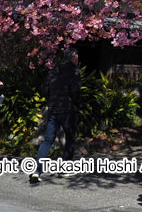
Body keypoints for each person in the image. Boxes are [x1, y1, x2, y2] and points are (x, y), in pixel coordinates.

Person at [30, 47, 80, 184]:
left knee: (48, 140)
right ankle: (65, 168)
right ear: (73, 57)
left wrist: (51, 100)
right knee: (70, 138)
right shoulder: (73, 71)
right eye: (77, 56)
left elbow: (45, 89)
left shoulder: (54, 71)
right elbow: (75, 90)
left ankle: (36, 171)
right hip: (67, 109)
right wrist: (77, 104)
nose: (78, 58)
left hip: (53, 109)